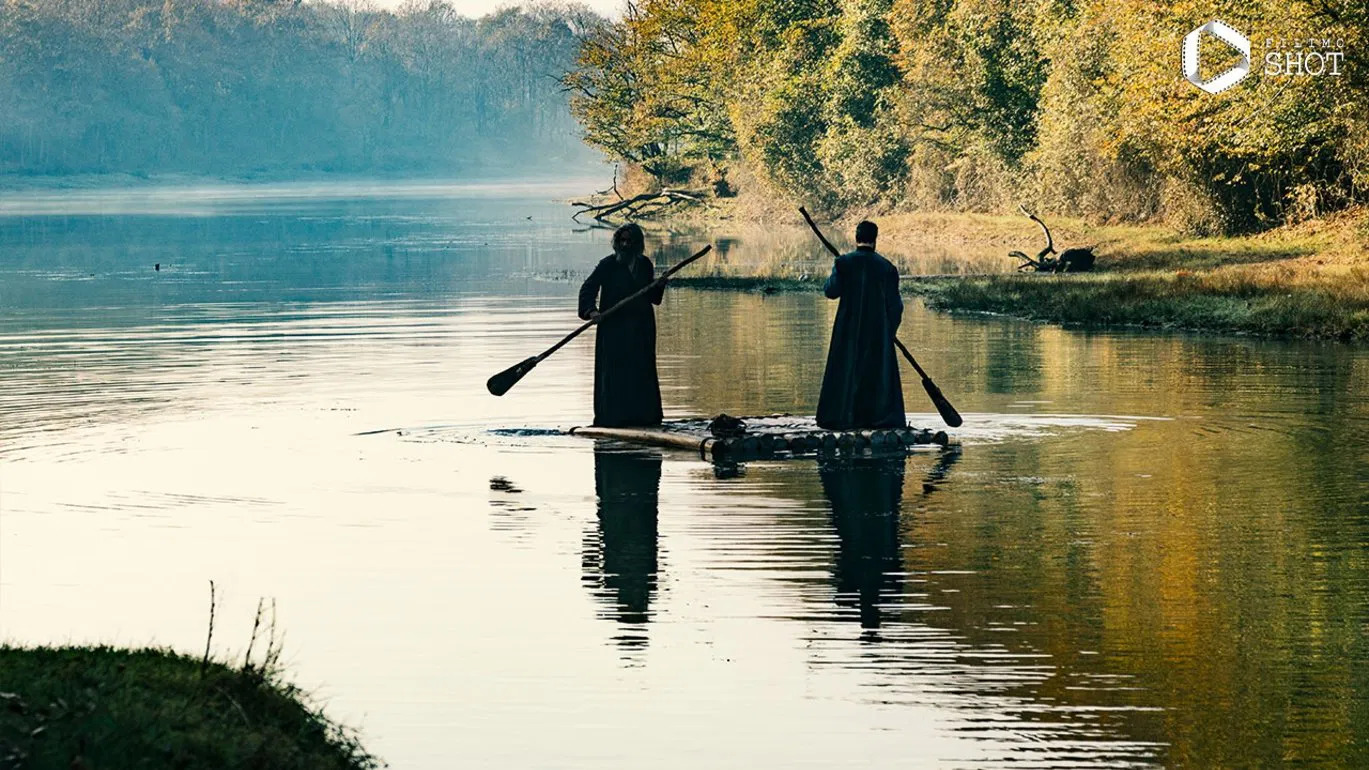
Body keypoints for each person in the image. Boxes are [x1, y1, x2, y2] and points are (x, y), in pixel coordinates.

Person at [815, 220, 905, 430]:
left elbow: (831, 291)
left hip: (847, 331)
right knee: (875, 373)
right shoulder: (887, 267)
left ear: (856, 238)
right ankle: (874, 419)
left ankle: (842, 417)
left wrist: (837, 270)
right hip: (877, 333)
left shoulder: (843, 263)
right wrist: (889, 332)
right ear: (875, 239)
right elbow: (895, 307)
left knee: (845, 370)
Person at [577, 223, 665, 427]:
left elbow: (653, 298)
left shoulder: (644, 264)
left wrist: (659, 286)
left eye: (629, 241)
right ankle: (613, 419)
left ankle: (645, 417)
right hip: (614, 331)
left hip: (641, 330)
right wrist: (592, 311)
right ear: (616, 243)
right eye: (622, 241)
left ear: (637, 244)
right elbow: (588, 289)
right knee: (614, 373)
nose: (625, 245)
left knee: (641, 371)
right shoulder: (607, 265)